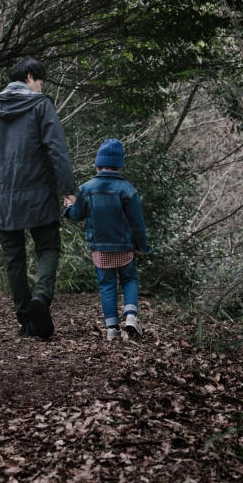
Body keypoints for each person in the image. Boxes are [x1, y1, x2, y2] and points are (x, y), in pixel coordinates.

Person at [0, 58, 76, 339]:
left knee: (13, 258)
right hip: (40, 192)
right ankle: (41, 296)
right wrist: (68, 190)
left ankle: (26, 321)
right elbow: (57, 150)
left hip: (3, 196)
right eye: (40, 81)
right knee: (48, 248)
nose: (41, 87)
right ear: (30, 76)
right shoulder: (40, 105)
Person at [64, 139, 152, 341]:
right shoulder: (128, 190)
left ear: (97, 164)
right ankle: (130, 315)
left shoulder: (87, 188)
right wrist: (142, 246)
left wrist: (68, 208)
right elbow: (138, 223)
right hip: (124, 246)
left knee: (107, 284)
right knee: (129, 278)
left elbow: (77, 215)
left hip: (100, 247)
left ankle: (112, 328)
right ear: (120, 165)